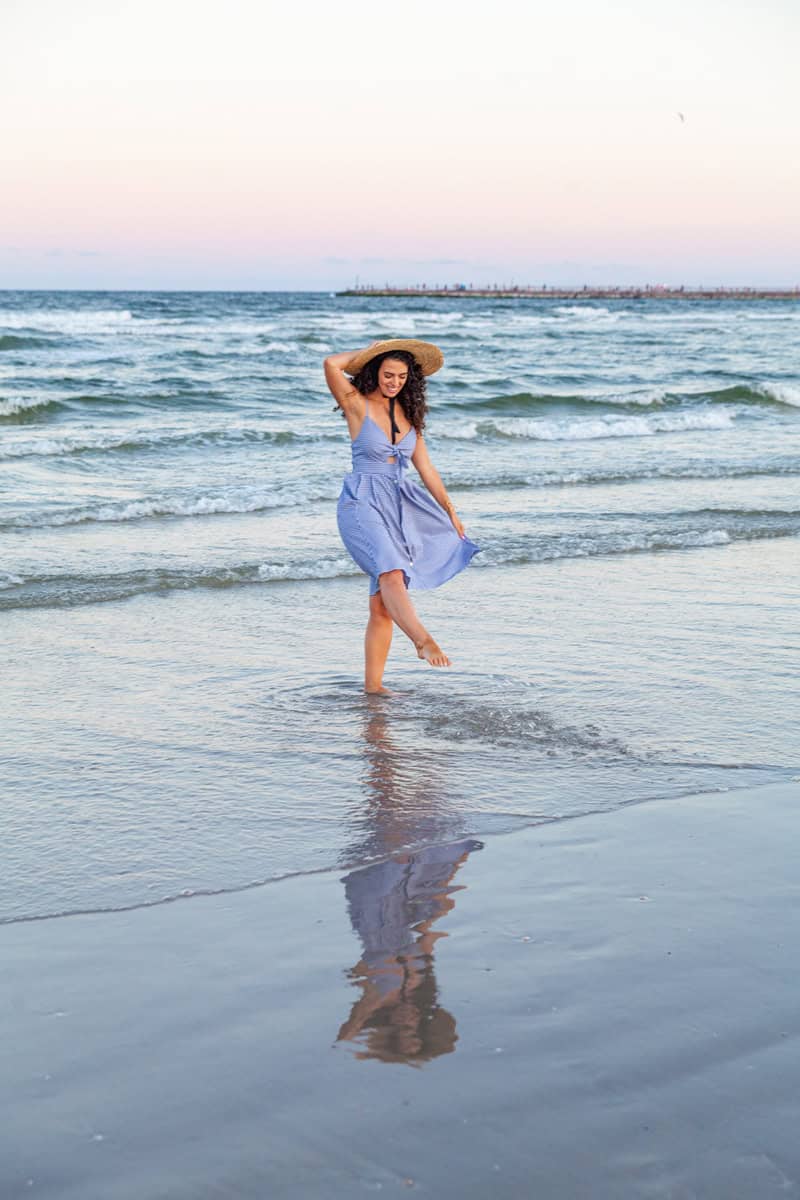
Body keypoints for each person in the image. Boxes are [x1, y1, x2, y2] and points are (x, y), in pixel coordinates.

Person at [324, 338, 479, 693]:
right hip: (361, 501)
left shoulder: (411, 418)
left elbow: (427, 469)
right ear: (374, 373)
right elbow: (331, 364)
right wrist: (371, 350)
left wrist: (451, 511)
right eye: (387, 374)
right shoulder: (356, 405)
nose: (394, 382)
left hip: (399, 504)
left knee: (381, 606)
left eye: (401, 376)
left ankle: (373, 688)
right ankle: (422, 640)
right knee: (392, 573)